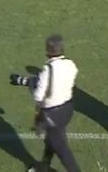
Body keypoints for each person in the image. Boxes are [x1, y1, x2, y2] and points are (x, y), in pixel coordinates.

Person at [28, 35, 80, 172]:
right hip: (67, 109)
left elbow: (39, 95)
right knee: (52, 139)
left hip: (52, 114)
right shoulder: (71, 64)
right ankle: (44, 167)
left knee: (61, 149)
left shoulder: (48, 69)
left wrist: (31, 86)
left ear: (48, 51)